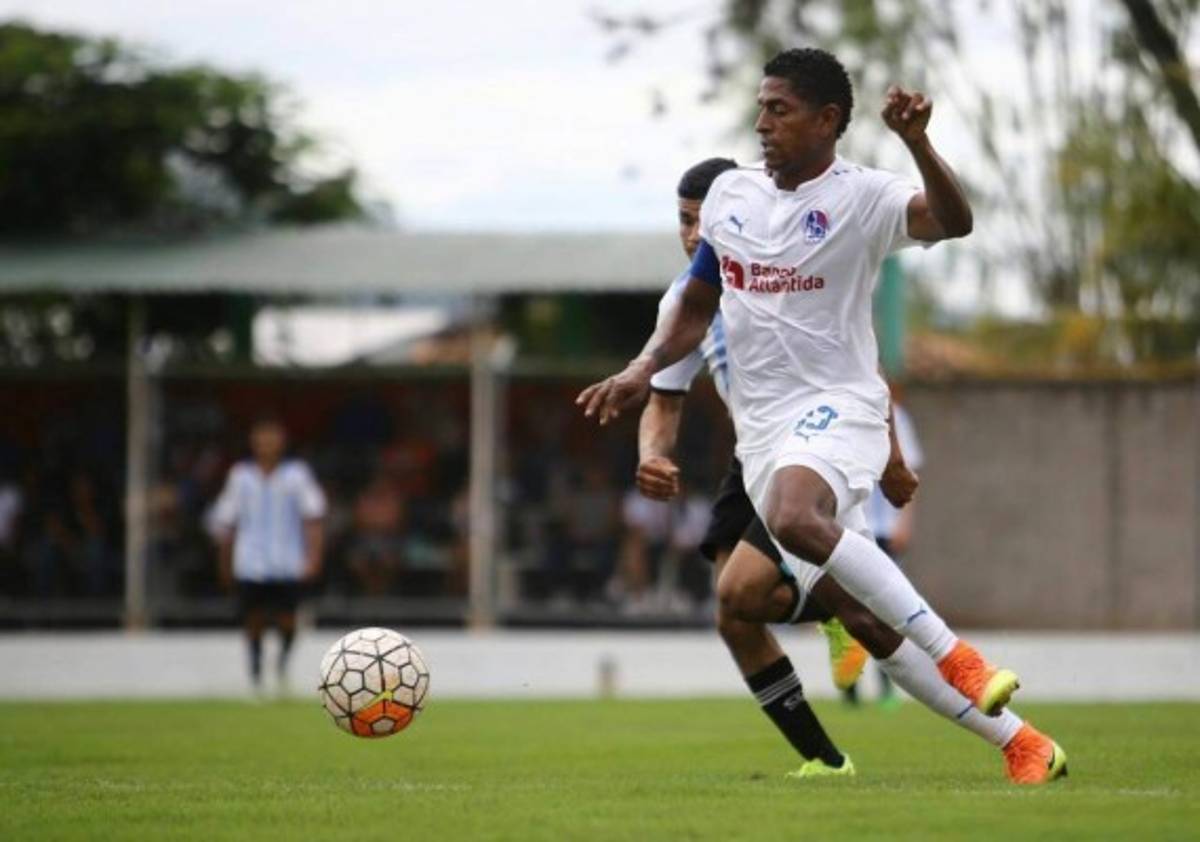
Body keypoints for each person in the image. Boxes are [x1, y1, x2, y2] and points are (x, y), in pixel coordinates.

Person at [580, 48, 1066, 783]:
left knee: (794, 517)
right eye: (760, 108)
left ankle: (959, 657)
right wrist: (641, 368)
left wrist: (918, 142)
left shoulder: (866, 196)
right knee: (786, 604)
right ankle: (1022, 745)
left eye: (779, 109)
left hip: (842, 410)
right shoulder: (731, 199)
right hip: (766, 435)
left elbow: (953, 221)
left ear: (827, 120)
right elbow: (698, 302)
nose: (762, 123)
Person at [212, 414, 326, 694]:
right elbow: (228, 521)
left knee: (288, 620)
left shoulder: (297, 475)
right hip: (250, 561)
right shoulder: (240, 476)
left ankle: (282, 665)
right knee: (253, 620)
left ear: (282, 442)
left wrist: (313, 556)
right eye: (261, 438)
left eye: (272, 438)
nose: (267, 444)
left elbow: (313, 517)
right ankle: (255, 672)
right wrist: (224, 562)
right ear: (253, 442)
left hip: (287, 561)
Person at [843, 385, 923, 707]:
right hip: (849, 527)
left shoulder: (897, 418)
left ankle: (887, 682)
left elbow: (910, 469)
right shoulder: (840, 411)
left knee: (886, 607)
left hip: (884, 528)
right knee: (847, 606)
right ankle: (850, 685)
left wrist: (904, 521)